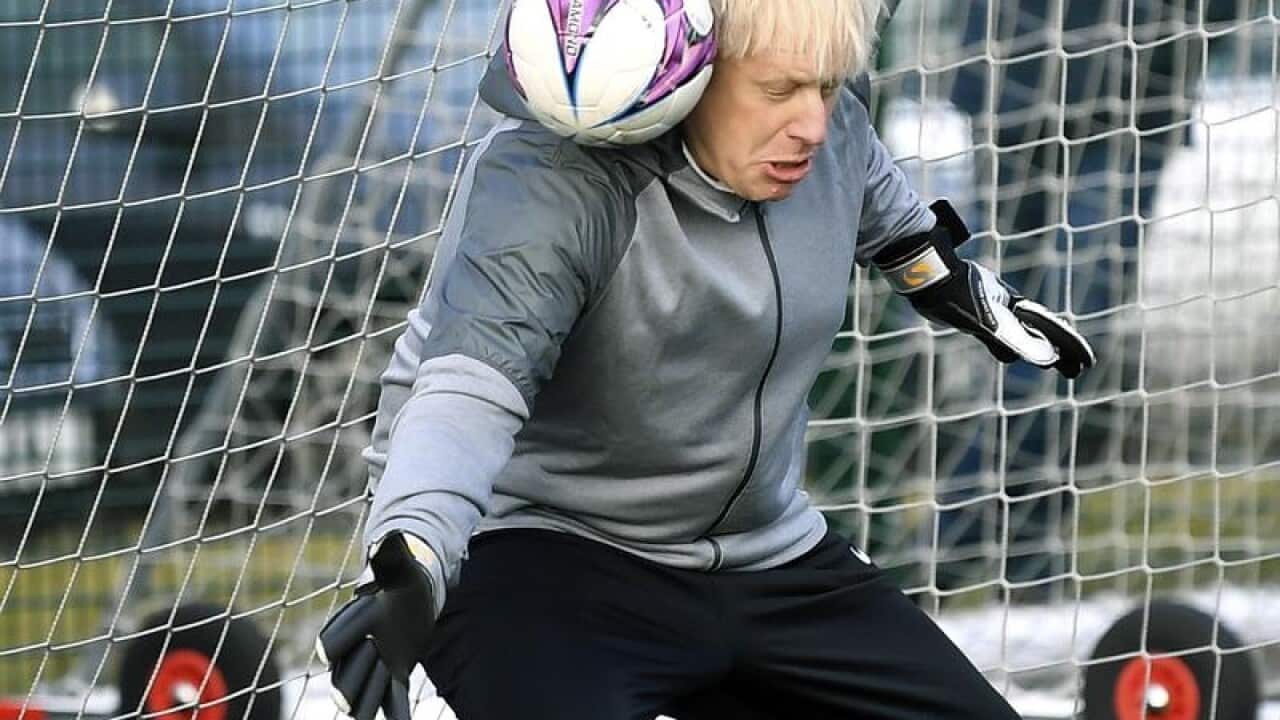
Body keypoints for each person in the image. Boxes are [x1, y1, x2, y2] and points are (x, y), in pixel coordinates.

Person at [314, 2, 1095, 719]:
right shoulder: (555, 186)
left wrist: (973, 298)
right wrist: (415, 550)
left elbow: (900, 232)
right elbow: (468, 389)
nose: (813, 124)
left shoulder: (833, 141)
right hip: (547, 557)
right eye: (780, 89)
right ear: (688, 76)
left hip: (769, 557)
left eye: (827, 87)